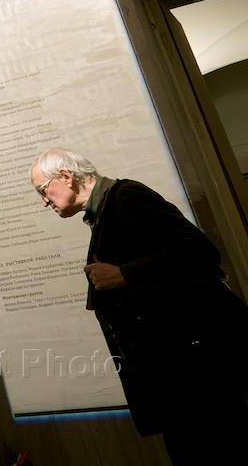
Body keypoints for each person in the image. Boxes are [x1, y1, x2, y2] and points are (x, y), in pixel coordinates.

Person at [29, 147, 248, 464]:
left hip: (199, 377)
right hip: (182, 380)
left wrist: (124, 274)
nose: (44, 201)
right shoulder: (105, 212)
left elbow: (199, 251)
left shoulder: (126, 197)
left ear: (65, 176)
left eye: (42, 190)